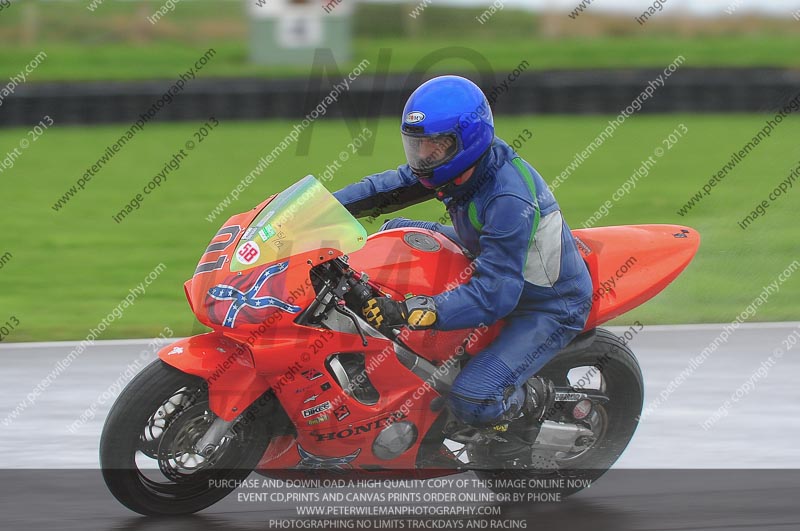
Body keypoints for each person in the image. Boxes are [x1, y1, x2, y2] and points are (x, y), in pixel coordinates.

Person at [332, 75, 593, 452]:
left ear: (466, 141)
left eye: (434, 145)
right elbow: (384, 189)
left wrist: (410, 311)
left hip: (544, 303)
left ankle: (531, 405)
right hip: (487, 254)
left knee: (472, 397)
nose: (423, 156)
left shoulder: (508, 198)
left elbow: (495, 295)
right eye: (417, 144)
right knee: (394, 232)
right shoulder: (455, 166)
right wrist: (319, 208)